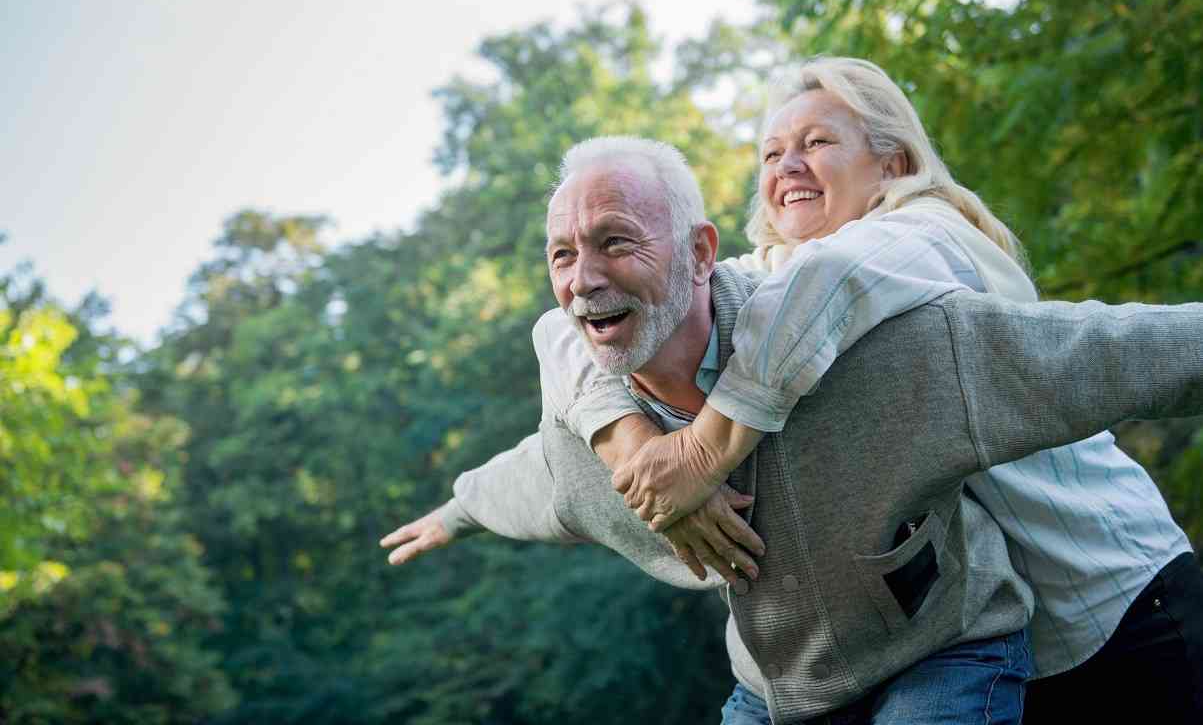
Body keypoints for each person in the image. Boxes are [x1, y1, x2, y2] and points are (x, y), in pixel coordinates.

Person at [381, 136, 1203, 724]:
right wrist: (457, 508)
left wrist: (706, 450)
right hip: (782, 690)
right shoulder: (591, 438)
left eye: (615, 242)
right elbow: (532, 482)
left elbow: (1101, 352)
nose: (583, 279)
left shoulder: (880, 353)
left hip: (947, 652)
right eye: (561, 255)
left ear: (702, 251)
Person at [575, 59, 1203, 723]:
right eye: (771, 152)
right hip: (1009, 644)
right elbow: (575, 328)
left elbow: (831, 279)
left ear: (892, 164)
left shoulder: (929, 236)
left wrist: (699, 457)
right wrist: (632, 447)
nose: (786, 165)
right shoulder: (778, 277)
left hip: (1118, 599)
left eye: (815, 143)